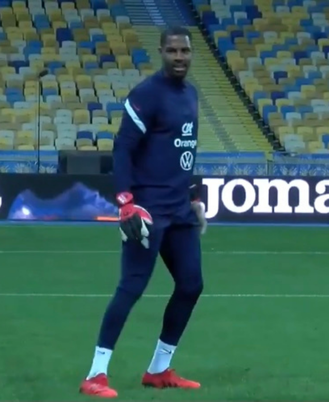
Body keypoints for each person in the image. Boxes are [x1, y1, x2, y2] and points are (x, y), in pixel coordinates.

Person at [78, 25, 208, 398]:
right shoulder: (146, 94)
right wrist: (126, 203)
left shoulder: (191, 95)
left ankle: (158, 369)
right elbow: (123, 149)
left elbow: (184, 150)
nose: (179, 57)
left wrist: (194, 196)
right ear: (161, 52)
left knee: (191, 284)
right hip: (147, 211)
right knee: (132, 286)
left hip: (179, 210)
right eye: (173, 50)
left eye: (185, 51)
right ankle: (95, 375)